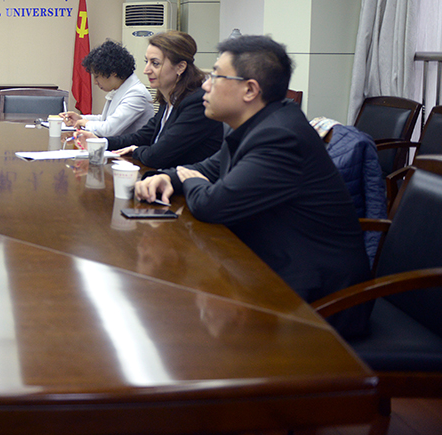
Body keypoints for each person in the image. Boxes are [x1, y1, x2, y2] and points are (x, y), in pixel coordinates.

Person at [135, 35, 371, 338]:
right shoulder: (258, 125)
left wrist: (190, 181)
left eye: (216, 76)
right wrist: (168, 177)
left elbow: (212, 205)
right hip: (270, 269)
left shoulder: (280, 137)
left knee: (189, 330)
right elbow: (208, 169)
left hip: (318, 299)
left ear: (250, 90)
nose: (205, 85)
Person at [77, 30, 222, 169]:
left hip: (185, 182)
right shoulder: (169, 100)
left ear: (180, 67)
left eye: (155, 63)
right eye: (147, 62)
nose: (146, 70)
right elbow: (142, 136)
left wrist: (136, 150)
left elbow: (157, 155)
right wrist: (102, 142)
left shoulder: (196, 103)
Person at [61, 39, 153, 137]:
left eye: (97, 76)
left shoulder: (137, 94)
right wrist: (80, 119)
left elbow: (108, 130)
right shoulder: (122, 88)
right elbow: (105, 119)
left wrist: (86, 123)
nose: (95, 82)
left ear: (113, 73)